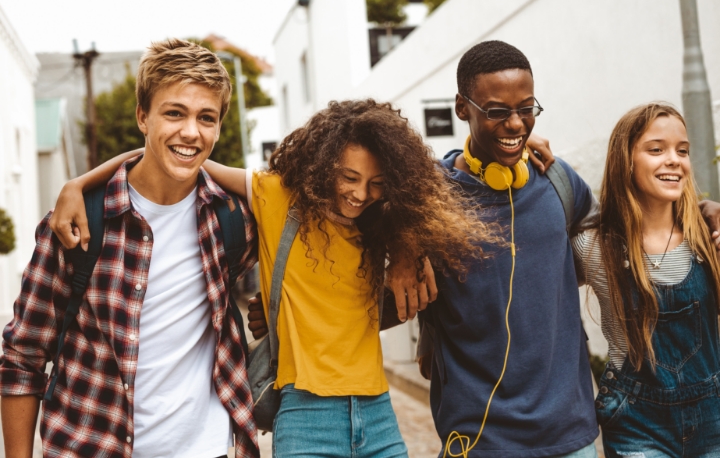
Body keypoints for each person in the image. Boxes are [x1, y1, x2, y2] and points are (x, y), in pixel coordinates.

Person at [47, 98, 560, 456]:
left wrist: (516, 144)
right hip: (303, 416)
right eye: (348, 178)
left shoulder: (384, 224)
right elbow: (183, 160)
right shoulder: (278, 199)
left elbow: (446, 185)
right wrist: (81, 181)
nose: (360, 194)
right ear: (322, 165)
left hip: (378, 411)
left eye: (377, 184)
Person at [0, 39, 260, 458]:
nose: (191, 131)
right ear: (143, 116)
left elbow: (315, 218)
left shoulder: (233, 221)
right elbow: (22, 357)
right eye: (174, 113)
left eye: (205, 118)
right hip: (92, 444)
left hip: (204, 449)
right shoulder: (78, 222)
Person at [419, 40, 601, 458]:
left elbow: (626, 228)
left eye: (527, 108)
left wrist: (702, 209)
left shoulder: (557, 181)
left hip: (572, 436)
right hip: (480, 441)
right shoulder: (430, 199)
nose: (517, 124)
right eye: (498, 111)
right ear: (462, 108)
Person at [572, 103, 720, 457]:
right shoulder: (593, 246)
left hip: (713, 417)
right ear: (626, 160)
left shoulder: (708, 235)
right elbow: (539, 282)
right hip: (636, 420)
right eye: (657, 149)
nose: (674, 160)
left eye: (681, 151)